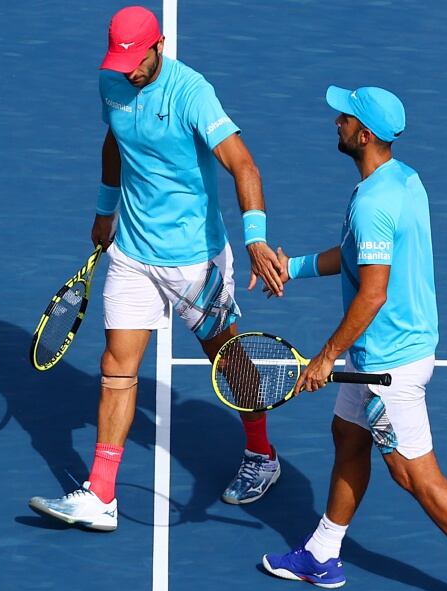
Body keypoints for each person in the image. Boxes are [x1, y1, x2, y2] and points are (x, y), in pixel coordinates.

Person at [260, 85, 447, 591]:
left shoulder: (373, 203)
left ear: (364, 134)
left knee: (414, 475)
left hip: (388, 366)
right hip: (383, 354)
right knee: (347, 438)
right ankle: (321, 553)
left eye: (345, 117)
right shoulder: (403, 180)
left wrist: (323, 358)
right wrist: (296, 267)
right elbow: (362, 259)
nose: (335, 121)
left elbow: (373, 292)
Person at [28, 6, 286, 532]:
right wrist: (105, 210)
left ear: (159, 46)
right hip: (131, 256)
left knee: (229, 360)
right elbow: (114, 142)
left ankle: (261, 452)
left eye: (136, 61)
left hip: (196, 261)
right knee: (116, 369)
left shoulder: (193, 92)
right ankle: (100, 495)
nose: (128, 71)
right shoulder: (112, 80)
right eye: (119, 62)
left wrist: (256, 240)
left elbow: (244, 164)